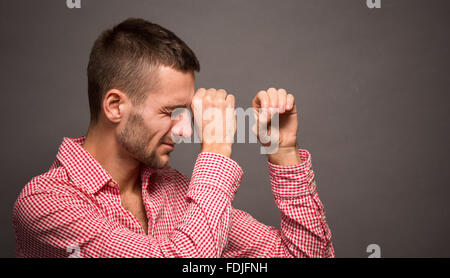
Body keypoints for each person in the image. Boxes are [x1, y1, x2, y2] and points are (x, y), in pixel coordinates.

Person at [12, 18, 334, 258]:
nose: (185, 131)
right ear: (114, 106)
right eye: (170, 112)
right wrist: (218, 149)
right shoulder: (45, 204)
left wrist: (283, 151)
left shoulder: (177, 192)